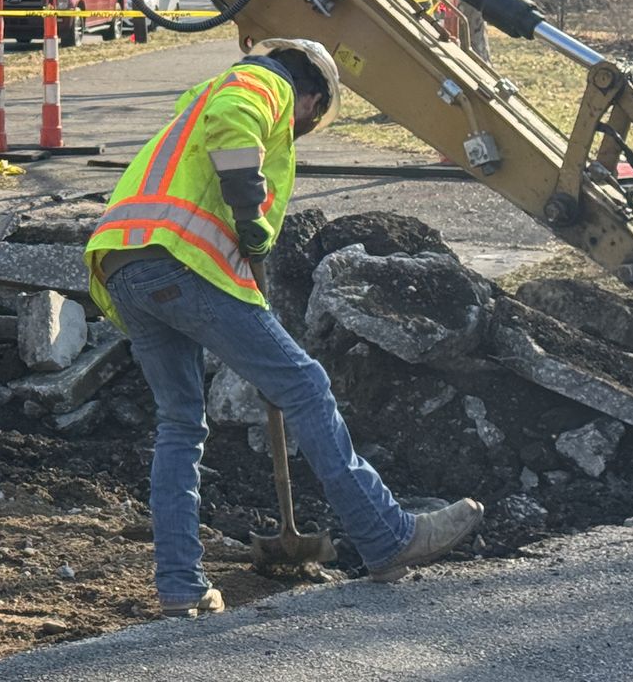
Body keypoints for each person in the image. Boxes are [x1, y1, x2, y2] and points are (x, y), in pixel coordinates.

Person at [85, 38, 483, 616]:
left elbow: (202, 152)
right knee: (304, 385)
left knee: (179, 422)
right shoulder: (266, 82)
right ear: (312, 99)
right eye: (308, 124)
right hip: (180, 261)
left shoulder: (196, 101)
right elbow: (234, 125)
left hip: (122, 265)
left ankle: (180, 586)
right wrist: (250, 213)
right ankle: (386, 536)